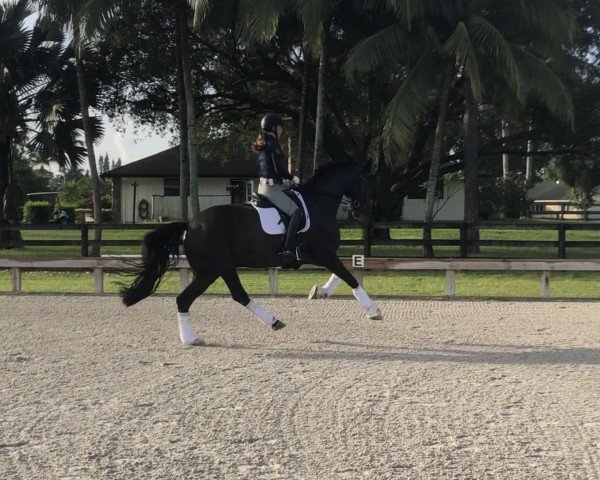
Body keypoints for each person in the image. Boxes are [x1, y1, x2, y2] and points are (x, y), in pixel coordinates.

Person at [252, 113, 302, 260]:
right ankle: (288, 248)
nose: (282, 131)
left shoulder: (264, 143)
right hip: (272, 190)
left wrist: (283, 181)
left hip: (265, 186)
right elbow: (279, 168)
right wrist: (291, 177)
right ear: (273, 128)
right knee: (297, 212)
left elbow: (269, 170)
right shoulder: (273, 144)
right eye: (280, 128)